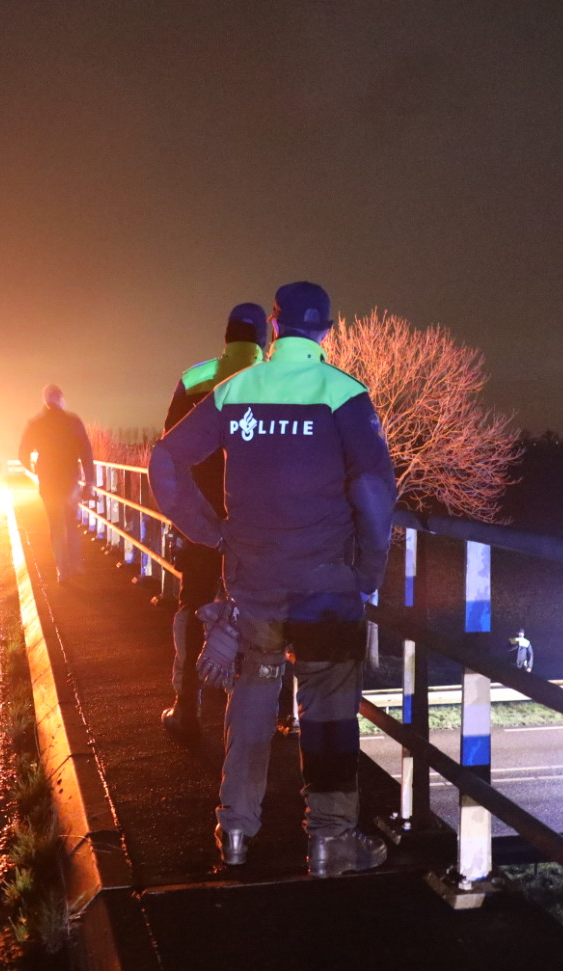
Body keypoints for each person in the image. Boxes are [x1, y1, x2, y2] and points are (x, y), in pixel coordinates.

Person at [150, 281, 398, 878]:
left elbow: (166, 460)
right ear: (327, 331)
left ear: (275, 324)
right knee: (329, 711)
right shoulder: (344, 394)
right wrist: (367, 570)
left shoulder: (236, 388)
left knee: (254, 702)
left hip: (254, 583)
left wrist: (213, 533)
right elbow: (372, 488)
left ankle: (235, 831)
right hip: (327, 587)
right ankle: (330, 840)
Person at [158, 302, 269, 743]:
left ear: (226, 336)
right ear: (263, 339)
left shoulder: (194, 377)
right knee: (260, 610)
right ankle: (262, 718)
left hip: (203, 517)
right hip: (260, 519)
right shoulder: (277, 381)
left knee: (193, 603)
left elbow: (171, 446)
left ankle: (186, 707)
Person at [19, 384, 95, 584]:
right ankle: (75, 564)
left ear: (45, 400)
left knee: (55, 525)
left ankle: (62, 570)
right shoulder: (72, 422)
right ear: (61, 398)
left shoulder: (37, 424)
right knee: (71, 523)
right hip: (70, 480)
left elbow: (22, 453)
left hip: (48, 482)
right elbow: (86, 452)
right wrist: (90, 481)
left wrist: (34, 470)